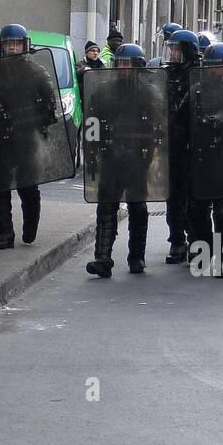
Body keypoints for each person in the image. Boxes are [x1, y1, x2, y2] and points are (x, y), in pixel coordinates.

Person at [86, 43, 152, 277]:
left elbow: (158, 127)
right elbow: (92, 121)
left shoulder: (149, 91)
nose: (124, 68)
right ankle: (102, 258)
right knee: (106, 206)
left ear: (138, 66)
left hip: (137, 158)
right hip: (111, 155)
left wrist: (149, 156)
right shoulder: (105, 90)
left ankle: (137, 257)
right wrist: (93, 151)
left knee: (137, 206)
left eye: (128, 64)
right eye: (120, 63)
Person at [186, 42, 223, 277]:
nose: (212, 71)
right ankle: (202, 253)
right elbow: (182, 119)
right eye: (208, 66)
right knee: (196, 209)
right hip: (202, 159)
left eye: (216, 67)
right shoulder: (197, 89)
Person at [0, 23, 44, 249]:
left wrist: (39, 121)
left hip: (26, 135)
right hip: (0, 135)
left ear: (24, 46)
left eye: (17, 44)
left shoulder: (36, 71)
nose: (13, 48)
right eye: (9, 44)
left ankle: (30, 228)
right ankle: (5, 233)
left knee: (28, 185)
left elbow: (49, 102)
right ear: (2, 46)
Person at [164, 28, 201, 263]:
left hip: (194, 144)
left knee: (194, 197)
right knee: (172, 195)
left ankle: (195, 240)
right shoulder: (167, 74)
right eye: (172, 49)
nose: (173, 53)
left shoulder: (199, 75)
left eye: (177, 49)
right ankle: (176, 240)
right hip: (172, 143)